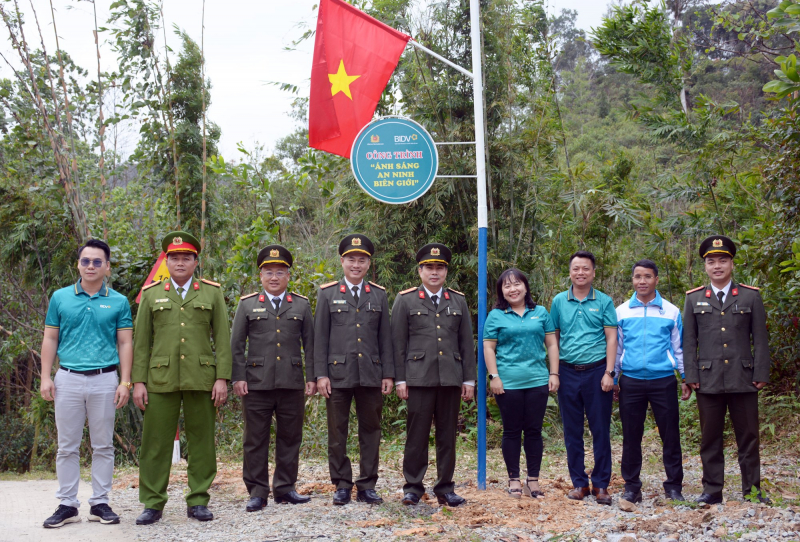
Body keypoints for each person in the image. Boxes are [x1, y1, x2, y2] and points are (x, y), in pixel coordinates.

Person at [131, 231, 232, 524]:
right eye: (174, 257)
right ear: (166, 261)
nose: (180, 262)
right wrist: (138, 381)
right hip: (160, 379)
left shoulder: (211, 292)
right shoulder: (151, 294)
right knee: (155, 442)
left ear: (195, 262)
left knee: (202, 441)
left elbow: (222, 339)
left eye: (186, 257)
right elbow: (141, 343)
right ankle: (152, 502)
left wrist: (222, 378)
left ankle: (198, 500)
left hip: (202, 377)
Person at [39, 239, 133, 528]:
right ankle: (67, 504)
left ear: (106, 266)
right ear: (78, 264)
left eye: (97, 262)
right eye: (85, 261)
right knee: (67, 446)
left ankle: (100, 503)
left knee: (103, 444)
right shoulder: (61, 297)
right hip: (67, 378)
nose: (90, 266)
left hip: (105, 379)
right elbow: (51, 338)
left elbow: (125, 341)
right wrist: (45, 376)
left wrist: (125, 382)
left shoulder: (118, 300)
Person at [683, 235, 771, 505]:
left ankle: (752, 491)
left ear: (731, 263)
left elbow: (760, 338)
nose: (717, 265)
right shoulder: (694, 298)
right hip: (707, 381)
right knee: (710, 439)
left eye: (723, 260)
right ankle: (712, 490)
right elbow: (689, 342)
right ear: (705, 266)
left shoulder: (750, 296)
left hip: (743, 379)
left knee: (748, 438)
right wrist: (691, 376)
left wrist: (761, 373)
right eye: (711, 261)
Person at [231, 245, 316, 510]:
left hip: (291, 382)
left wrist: (311, 377)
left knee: (290, 436)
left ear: (288, 276)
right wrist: (238, 377)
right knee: (255, 438)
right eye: (269, 272)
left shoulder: (301, 305)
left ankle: (285, 488)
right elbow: (236, 345)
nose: (274, 277)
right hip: (256, 383)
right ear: (261, 275)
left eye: (280, 272)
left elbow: (311, 345)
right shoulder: (247, 305)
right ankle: (257, 491)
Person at [392, 243, 476, 507]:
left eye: (439, 267)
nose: (434, 272)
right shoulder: (405, 300)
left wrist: (469, 380)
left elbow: (466, 343)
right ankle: (413, 487)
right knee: (416, 435)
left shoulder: (458, 300)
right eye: (429, 267)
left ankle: (445, 488)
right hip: (418, 378)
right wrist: (400, 379)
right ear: (420, 271)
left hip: (451, 377)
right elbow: (398, 344)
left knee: (447, 436)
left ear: (446, 272)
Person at [313, 234, 394, 505]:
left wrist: (388, 373)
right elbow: (320, 338)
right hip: (337, 375)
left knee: (371, 430)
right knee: (338, 431)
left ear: (369, 264)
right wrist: (320, 374)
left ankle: (367, 484)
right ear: (342, 261)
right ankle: (342, 484)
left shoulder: (379, 295)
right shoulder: (327, 294)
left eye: (361, 260)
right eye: (351, 259)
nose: (356, 265)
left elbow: (386, 338)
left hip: (371, 374)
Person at [614, 259, 690, 504]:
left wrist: (685, 377)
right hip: (631, 381)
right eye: (637, 276)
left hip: (663, 381)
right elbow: (616, 348)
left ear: (656, 279)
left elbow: (679, 349)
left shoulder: (671, 311)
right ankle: (632, 487)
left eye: (647, 276)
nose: (642, 281)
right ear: (632, 280)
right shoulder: (622, 311)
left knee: (670, 435)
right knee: (631, 436)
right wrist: (614, 378)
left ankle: (674, 486)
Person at [483, 268, 559, 499]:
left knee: (534, 431)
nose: (512, 289)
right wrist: (494, 377)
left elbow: (552, 345)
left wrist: (554, 374)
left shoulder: (541, 312)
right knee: (512, 431)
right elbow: (489, 347)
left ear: (525, 287)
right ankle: (514, 478)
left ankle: (533, 480)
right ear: (501, 292)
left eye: (517, 284)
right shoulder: (496, 315)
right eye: (507, 286)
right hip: (508, 383)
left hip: (537, 381)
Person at [549, 250, 617, 505]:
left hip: (597, 372)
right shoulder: (558, 301)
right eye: (576, 268)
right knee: (572, 431)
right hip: (567, 371)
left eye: (585, 268)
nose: (580, 273)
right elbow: (553, 339)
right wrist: (554, 372)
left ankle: (601, 484)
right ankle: (579, 483)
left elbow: (612, 337)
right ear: (570, 272)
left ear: (593, 272)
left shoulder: (604, 301)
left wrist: (610, 372)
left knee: (600, 429)